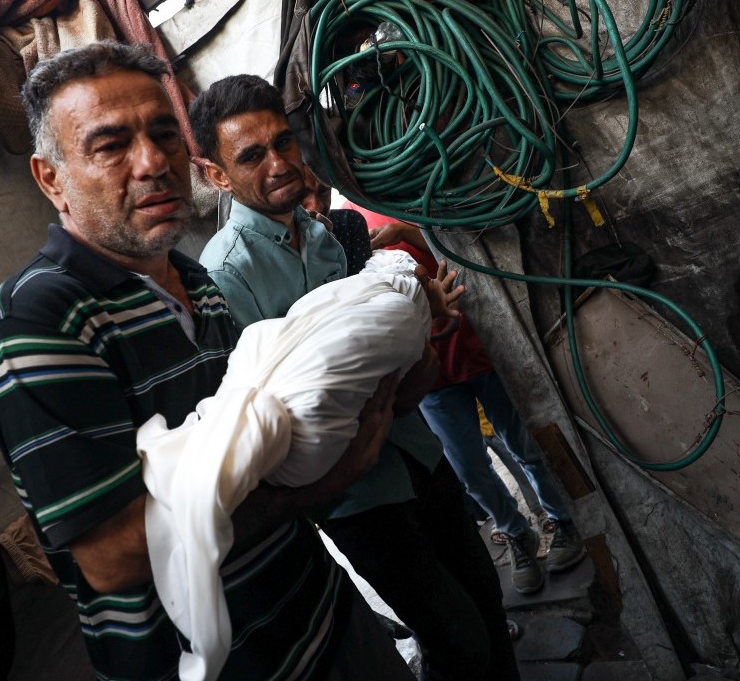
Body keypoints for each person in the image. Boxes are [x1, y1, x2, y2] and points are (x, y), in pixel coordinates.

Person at [0, 42, 414, 681]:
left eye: (163, 134)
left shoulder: (193, 278)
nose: (153, 162)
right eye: (110, 145)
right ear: (51, 179)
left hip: (320, 616)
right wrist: (320, 485)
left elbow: (259, 433)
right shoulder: (40, 319)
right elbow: (114, 559)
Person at [191, 73, 520, 681]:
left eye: (283, 143)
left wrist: (425, 323)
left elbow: (382, 342)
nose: (279, 163)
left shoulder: (323, 236)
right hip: (355, 496)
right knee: (453, 633)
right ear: (216, 174)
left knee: (485, 598)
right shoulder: (224, 275)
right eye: (252, 155)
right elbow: (270, 416)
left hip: (420, 453)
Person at [363, 217, 587, 577]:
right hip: (430, 376)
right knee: (470, 469)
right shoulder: (338, 237)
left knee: (526, 447)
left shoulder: (390, 204)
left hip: (480, 351)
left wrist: (405, 232)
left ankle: (564, 520)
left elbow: (457, 254)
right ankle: (516, 533)